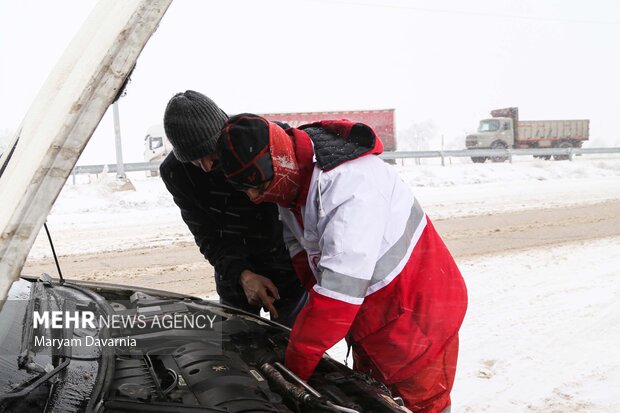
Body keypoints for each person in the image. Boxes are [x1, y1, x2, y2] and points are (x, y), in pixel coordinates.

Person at [217, 113, 468, 413]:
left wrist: (294, 371)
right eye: (247, 190)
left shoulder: (351, 187)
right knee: (378, 400)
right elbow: (299, 242)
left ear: (280, 160)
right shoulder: (292, 179)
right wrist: (314, 292)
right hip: (377, 319)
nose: (256, 197)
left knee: (420, 406)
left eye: (259, 187)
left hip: (418, 317)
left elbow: (335, 300)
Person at [159, 91, 307, 327]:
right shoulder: (175, 172)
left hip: (288, 265)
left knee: (298, 347)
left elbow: (301, 210)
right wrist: (242, 275)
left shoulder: (262, 141)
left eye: (210, 154)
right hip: (233, 272)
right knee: (236, 350)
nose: (206, 167)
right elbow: (206, 235)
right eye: (194, 160)